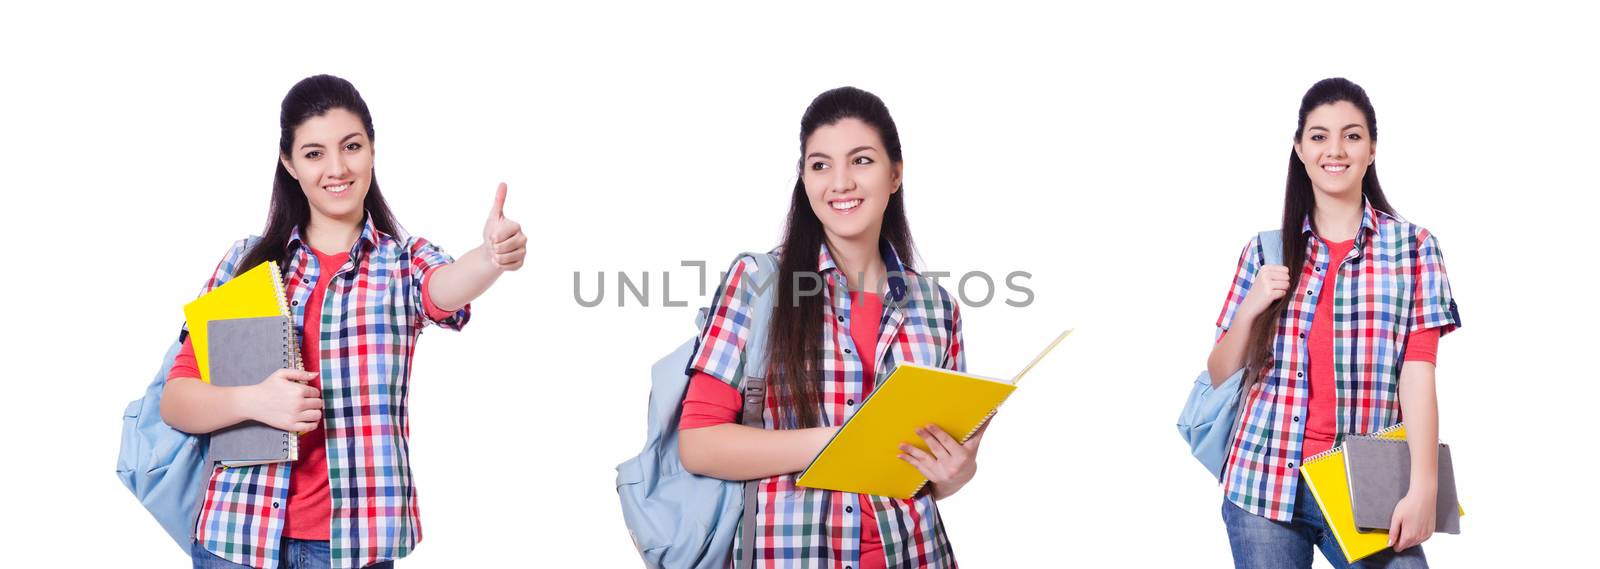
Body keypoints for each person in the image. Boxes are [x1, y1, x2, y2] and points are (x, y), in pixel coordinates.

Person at [160, 74, 526, 569]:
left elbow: (445, 289)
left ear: (372, 149)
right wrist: (256, 401)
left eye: (350, 146)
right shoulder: (249, 266)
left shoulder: (402, 263)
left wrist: (490, 256)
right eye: (314, 154)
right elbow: (177, 400)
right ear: (289, 164)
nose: (337, 168)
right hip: (236, 539)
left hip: (352, 548)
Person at [676, 86, 976, 569]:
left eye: (861, 161)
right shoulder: (757, 284)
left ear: (895, 174)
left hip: (919, 555)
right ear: (803, 177)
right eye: (820, 165)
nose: (840, 182)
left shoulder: (937, 308)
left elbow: (931, 478)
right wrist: (844, 440)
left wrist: (957, 472)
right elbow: (699, 444)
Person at [1206, 77, 1460, 569]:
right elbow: (1220, 372)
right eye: (1319, 136)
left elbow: (1419, 373)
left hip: (1366, 484)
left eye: (1352, 135)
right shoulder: (1264, 250)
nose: (1335, 149)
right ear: (1300, 150)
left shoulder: (1413, 249)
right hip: (1262, 478)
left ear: (1371, 149)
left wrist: (1424, 486)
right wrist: (1251, 306)